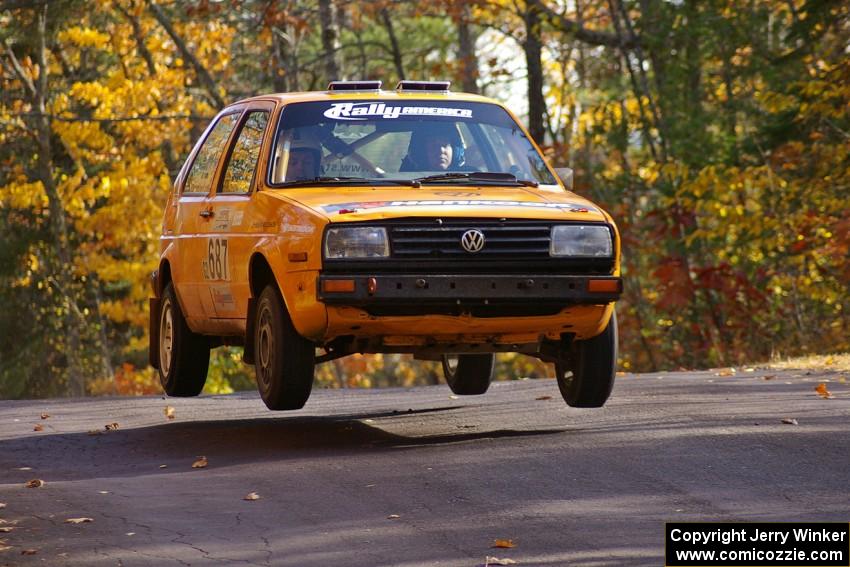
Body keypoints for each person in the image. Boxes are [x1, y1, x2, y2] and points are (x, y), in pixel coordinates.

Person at [400, 122, 467, 171]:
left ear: (455, 150)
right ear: (421, 151)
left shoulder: (471, 177)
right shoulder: (404, 180)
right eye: (433, 146)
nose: (441, 150)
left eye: (445, 145)